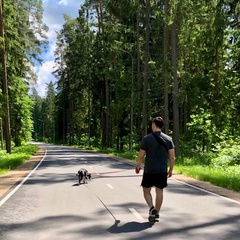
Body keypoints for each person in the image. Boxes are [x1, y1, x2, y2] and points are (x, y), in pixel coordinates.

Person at [135, 116, 175, 220]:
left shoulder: (147, 139)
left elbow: (141, 155)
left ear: (153, 125)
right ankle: (156, 212)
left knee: (146, 190)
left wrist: (138, 165)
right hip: (162, 170)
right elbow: (172, 157)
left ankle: (152, 208)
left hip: (149, 170)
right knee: (159, 191)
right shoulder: (168, 139)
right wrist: (170, 169)